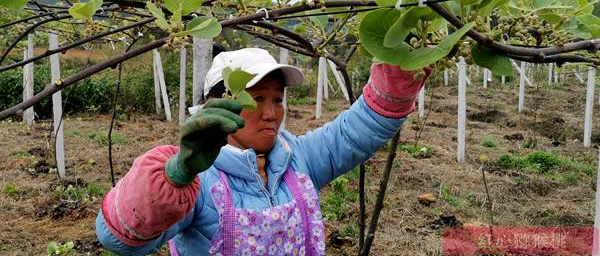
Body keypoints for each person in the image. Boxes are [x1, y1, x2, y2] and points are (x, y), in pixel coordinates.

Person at [96, 47, 430, 255]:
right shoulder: (197, 180)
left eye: (277, 99)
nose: (272, 113)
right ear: (221, 104)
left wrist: (395, 82)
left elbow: (352, 136)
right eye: (257, 100)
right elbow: (118, 240)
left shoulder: (296, 159)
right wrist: (176, 175)